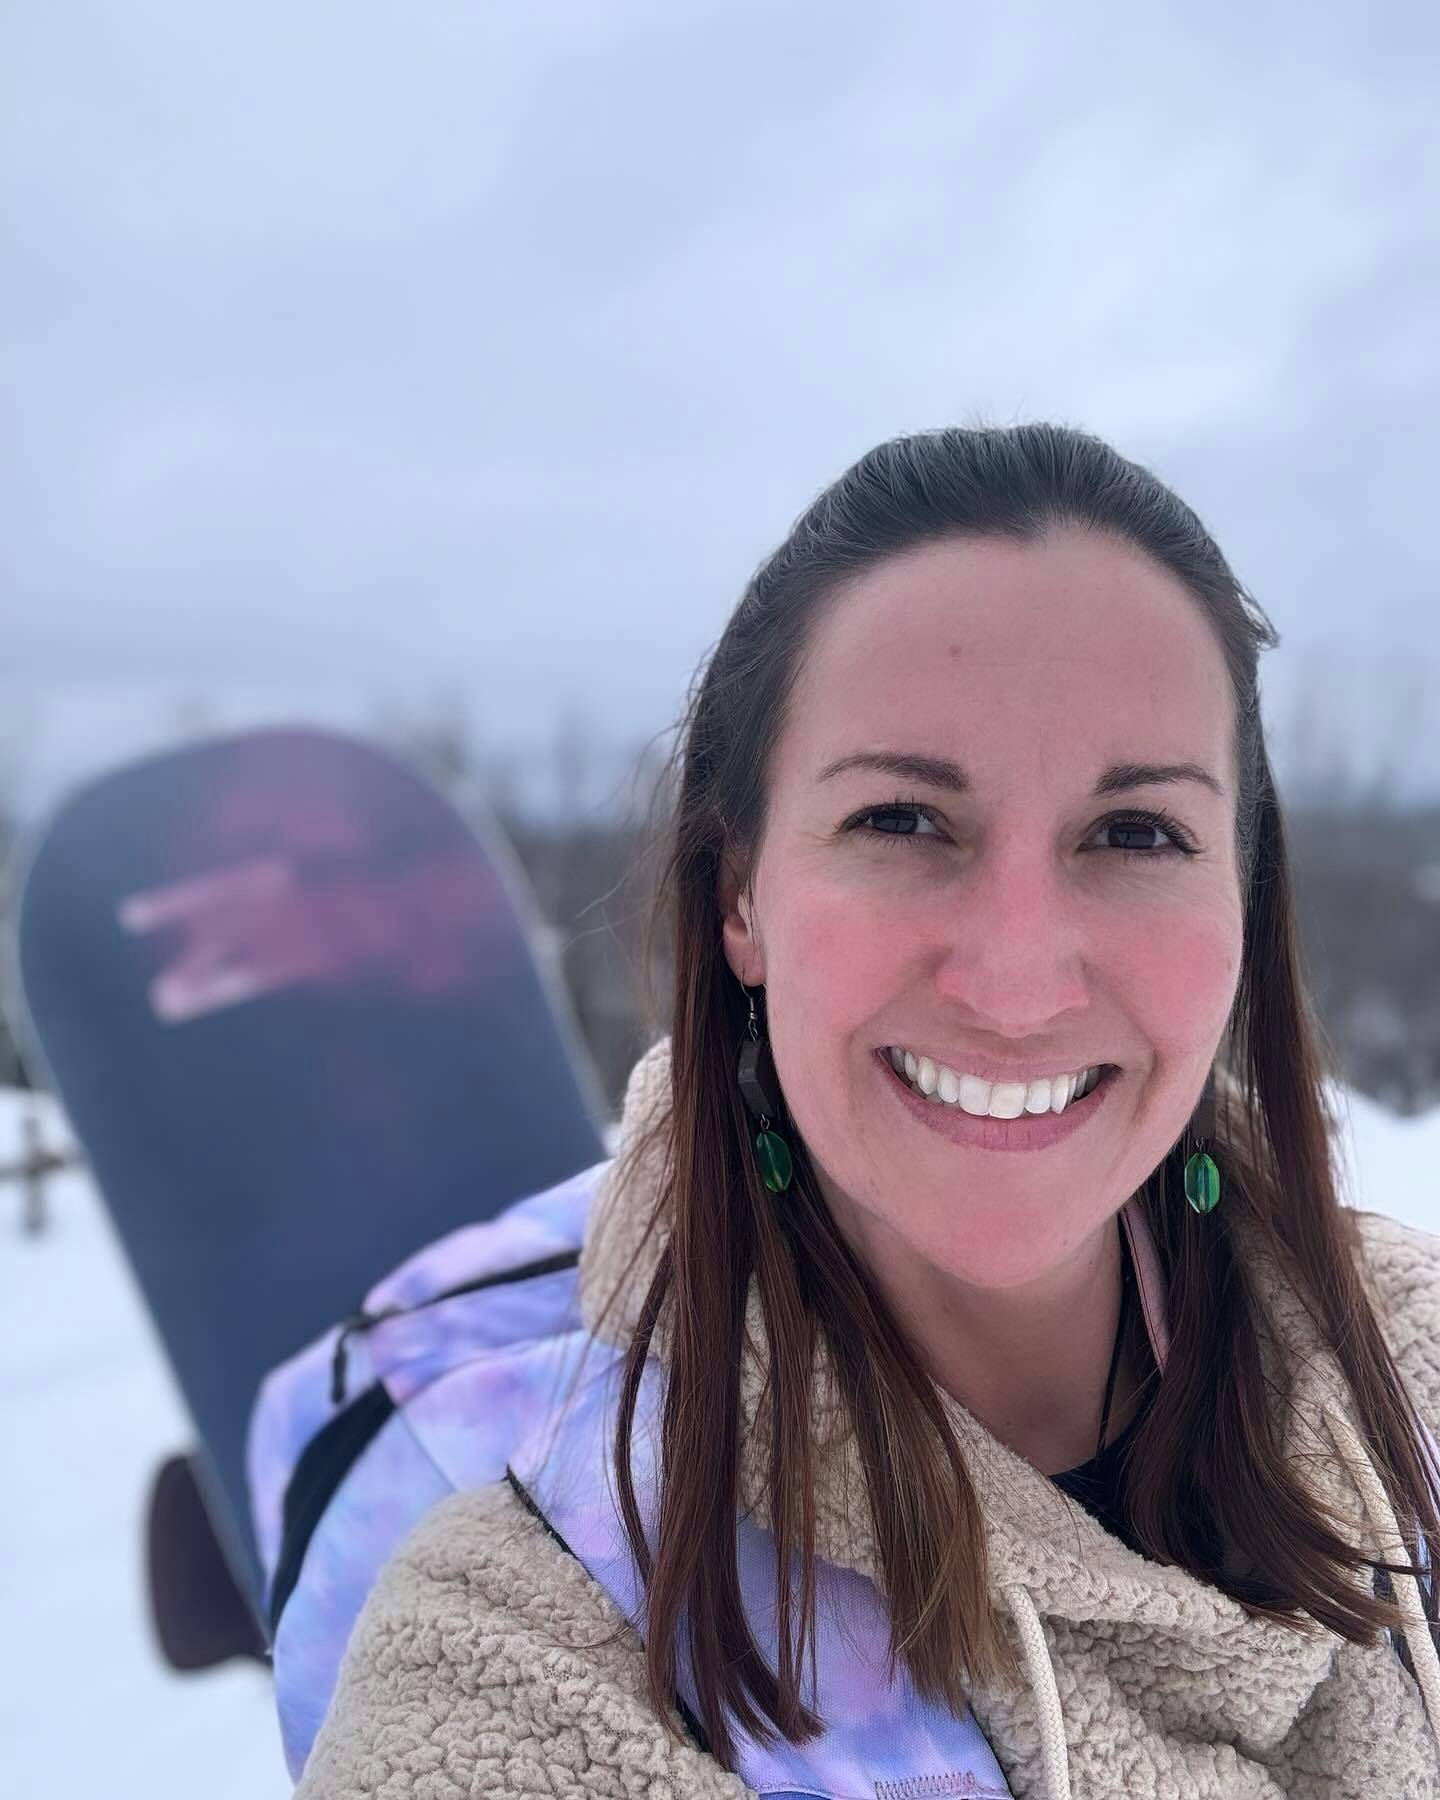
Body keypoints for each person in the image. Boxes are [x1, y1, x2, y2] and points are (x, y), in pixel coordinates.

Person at [293, 424, 1440, 1798]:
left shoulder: (1410, 1363)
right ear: (741, 899)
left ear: (1242, 902)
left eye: (1136, 832)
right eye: (902, 820)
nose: (1016, 985)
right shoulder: (526, 1651)